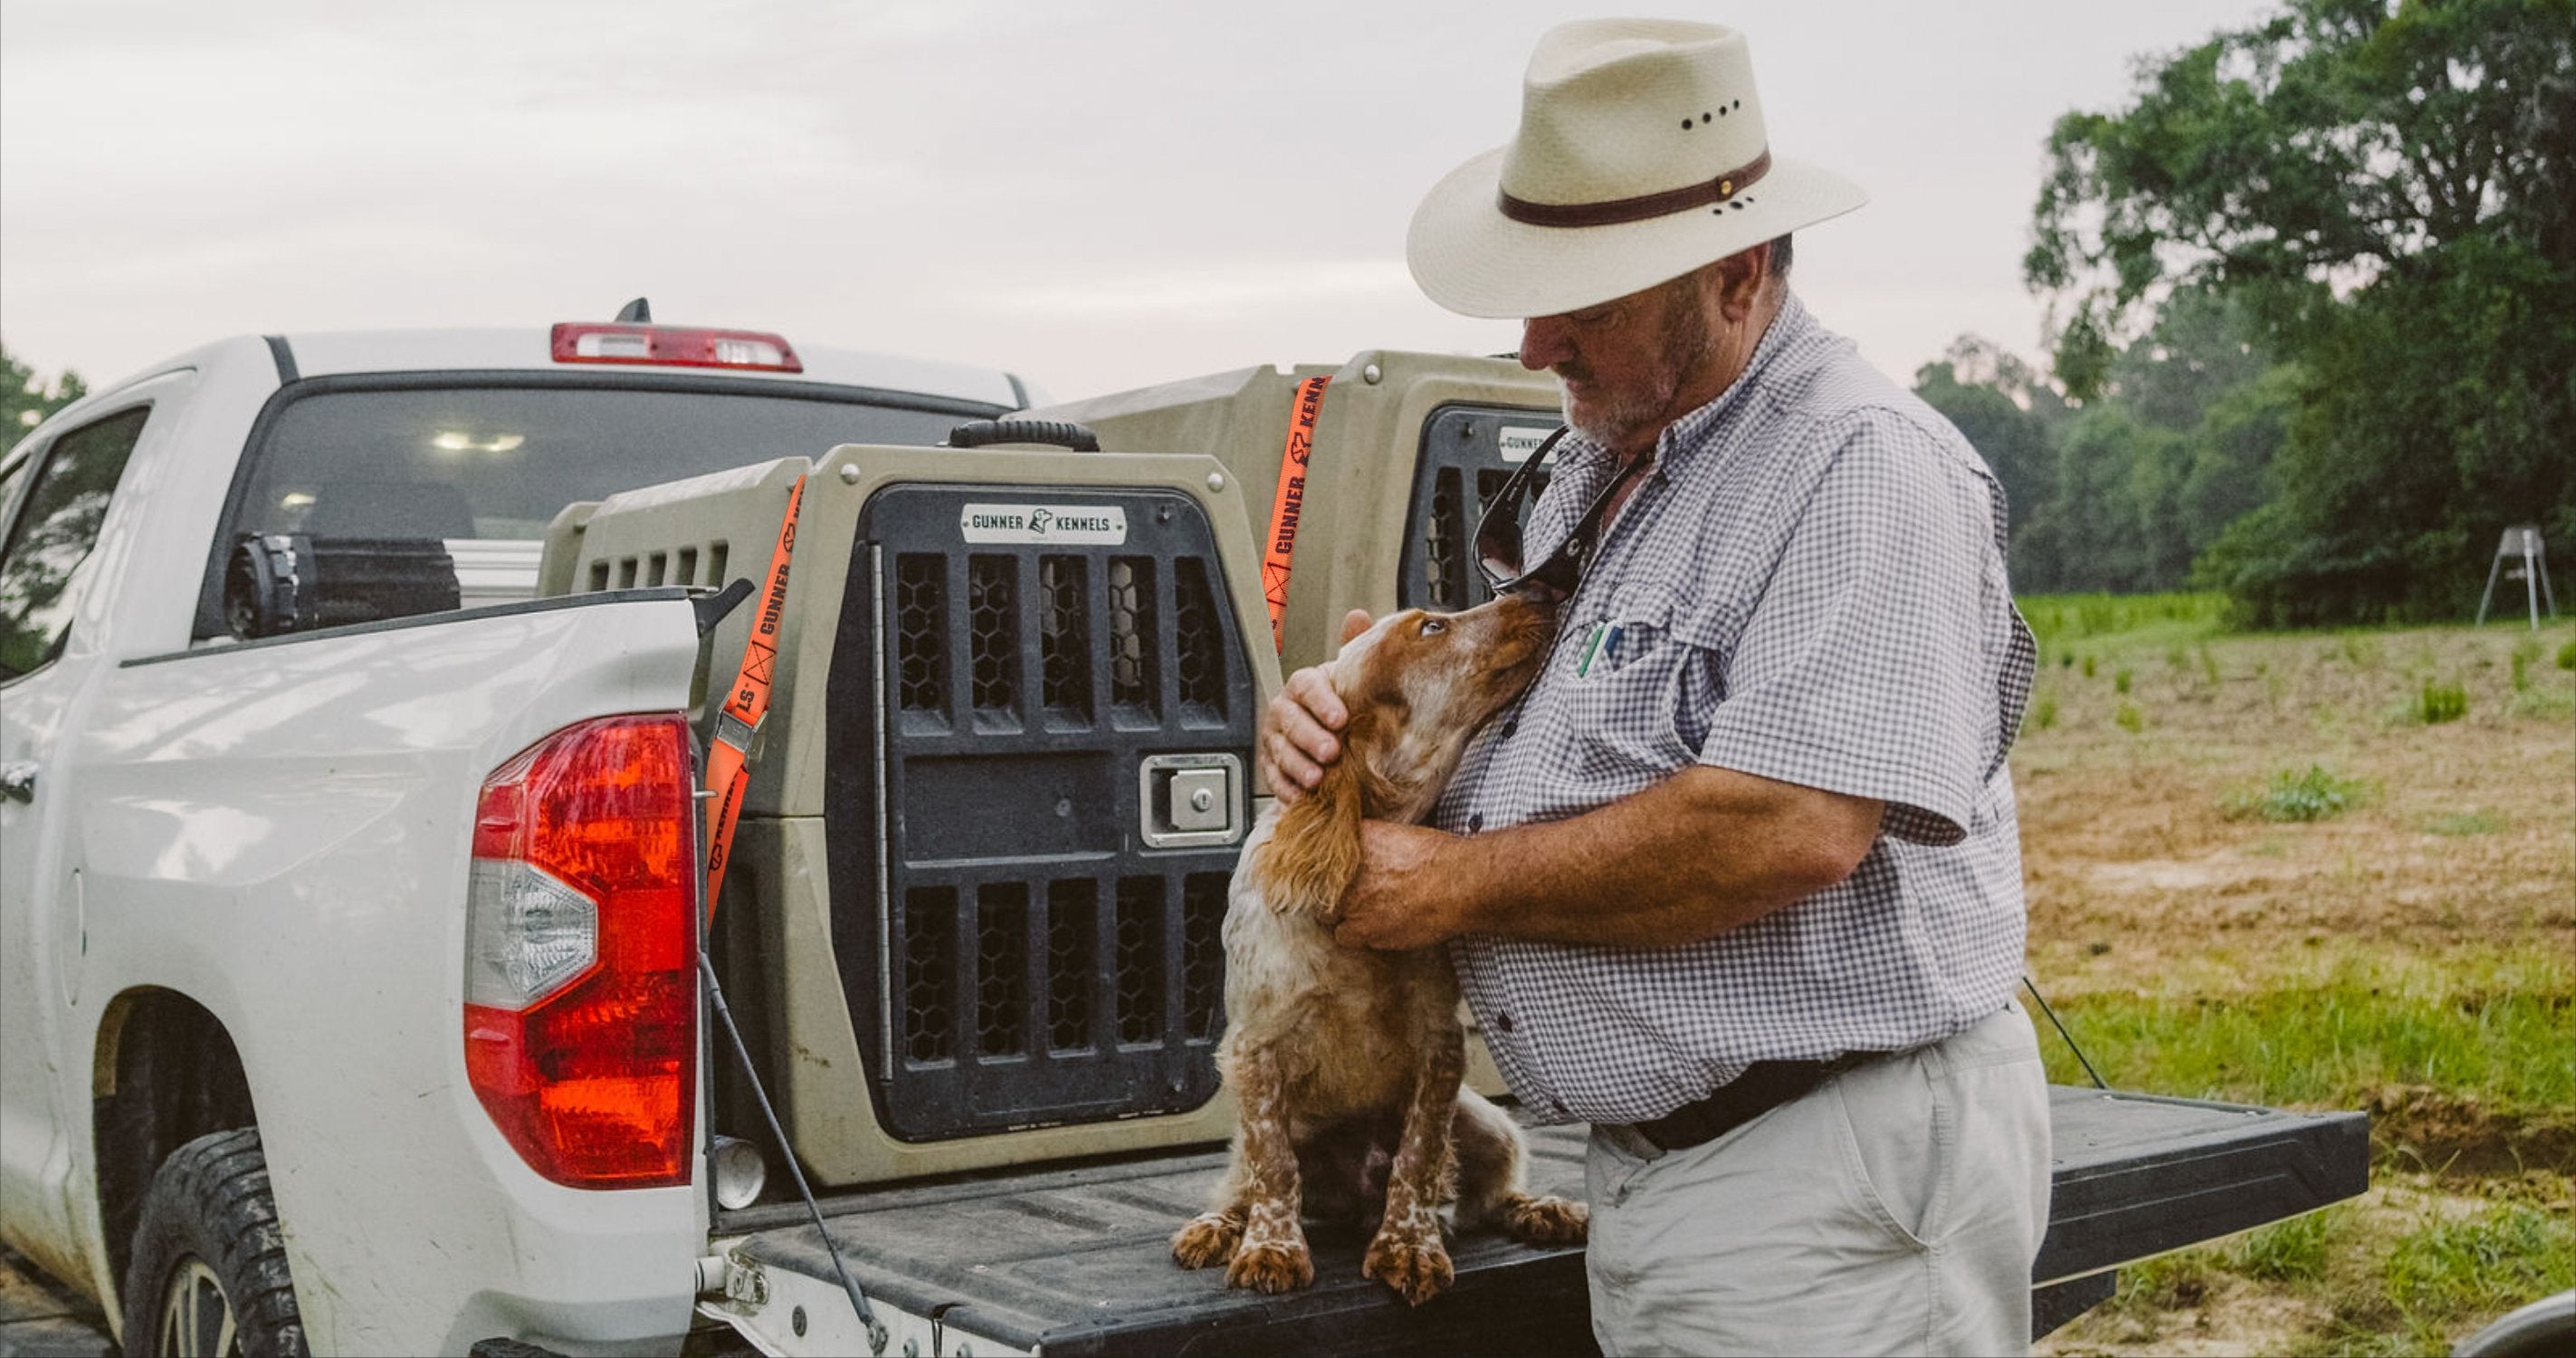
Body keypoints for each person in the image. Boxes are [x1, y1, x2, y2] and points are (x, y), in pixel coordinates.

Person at [1256, 19, 2050, 1357]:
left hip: (1824, 1168)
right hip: (1684, 1167)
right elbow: (1546, 729)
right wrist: (1339, 712)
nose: (1533, 341)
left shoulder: (1860, 470)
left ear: (1736, 278)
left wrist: (1439, 886)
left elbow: (1787, 826)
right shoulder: (1611, 459)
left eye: (1587, 299)